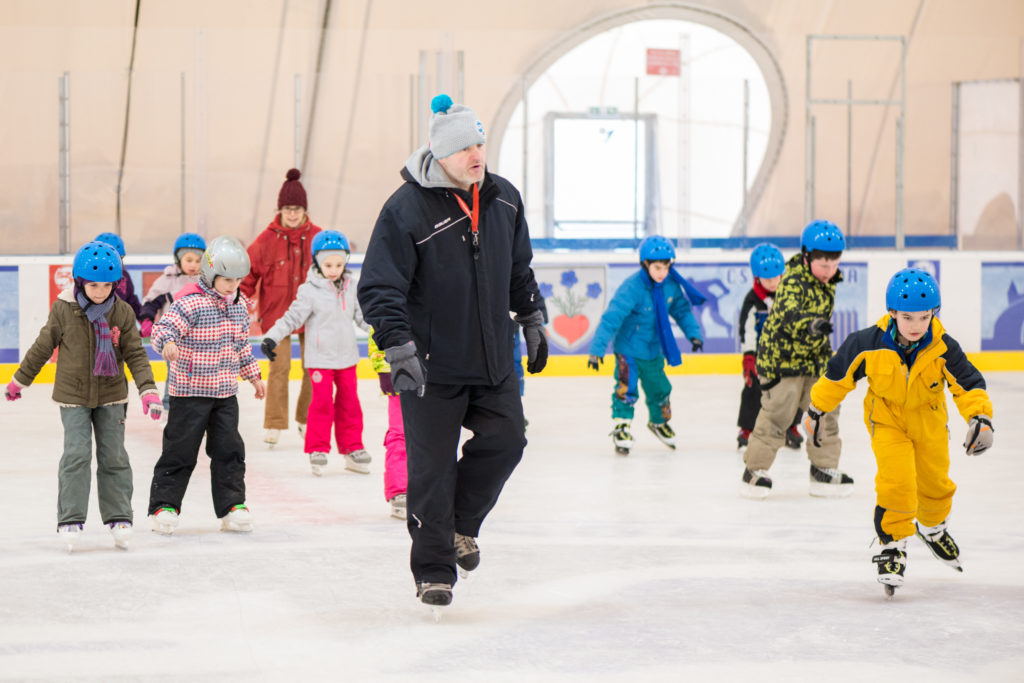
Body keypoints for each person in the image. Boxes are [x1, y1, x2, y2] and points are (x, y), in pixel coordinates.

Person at [357, 93, 548, 610]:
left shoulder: (504, 197)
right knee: (431, 471)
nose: (476, 154)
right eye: (465, 146)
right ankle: (434, 571)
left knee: (509, 440)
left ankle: (462, 525)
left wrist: (530, 316)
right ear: (440, 153)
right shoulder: (406, 209)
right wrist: (398, 346)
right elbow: (378, 287)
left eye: (480, 142)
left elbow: (518, 269)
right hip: (430, 369)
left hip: (492, 362)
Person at [805, 268, 993, 594]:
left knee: (935, 482)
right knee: (898, 481)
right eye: (908, 317)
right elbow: (838, 376)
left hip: (930, 422)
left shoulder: (943, 347)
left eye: (925, 317)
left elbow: (968, 384)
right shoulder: (867, 343)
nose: (917, 326)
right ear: (892, 313)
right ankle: (893, 544)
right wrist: (816, 409)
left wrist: (981, 418)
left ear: (934, 313)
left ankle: (933, 527)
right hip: (886, 420)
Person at [5, 241, 162, 551]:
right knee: (76, 455)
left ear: (116, 284)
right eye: (93, 285)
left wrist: (148, 390)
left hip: (112, 396)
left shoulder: (122, 310)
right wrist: (19, 381)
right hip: (73, 396)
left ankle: (119, 516)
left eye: (107, 285)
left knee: (114, 456)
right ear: (80, 281)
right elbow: (41, 347)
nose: (100, 291)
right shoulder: (64, 309)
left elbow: (135, 354)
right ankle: (71, 518)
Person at [148, 235, 266, 535]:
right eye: (226, 279)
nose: (232, 285)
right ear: (211, 273)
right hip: (189, 392)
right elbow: (163, 329)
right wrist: (168, 344)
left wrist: (253, 375)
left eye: (237, 280)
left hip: (225, 393)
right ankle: (165, 505)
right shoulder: (191, 302)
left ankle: (232, 506)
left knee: (229, 449)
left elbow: (241, 346)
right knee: (180, 450)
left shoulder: (239, 307)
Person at [740, 220, 851, 498]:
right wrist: (811, 324)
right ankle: (753, 471)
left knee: (823, 411)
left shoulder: (827, 281)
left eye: (833, 264)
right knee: (779, 413)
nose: (829, 271)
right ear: (806, 256)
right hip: (781, 360)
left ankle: (822, 470)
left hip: (813, 360)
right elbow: (788, 313)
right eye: (823, 265)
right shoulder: (791, 279)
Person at [260, 230, 371, 476]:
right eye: (328, 264)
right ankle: (318, 449)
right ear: (318, 262)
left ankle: (352, 448)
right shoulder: (309, 290)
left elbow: (363, 318)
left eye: (340, 264)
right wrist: (272, 337)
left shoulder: (352, 287)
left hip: (347, 359)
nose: (334, 269)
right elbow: (291, 318)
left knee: (350, 404)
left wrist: (383, 331)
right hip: (320, 360)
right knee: (321, 405)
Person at [586, 235, 705, 456]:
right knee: (626, 388)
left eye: (666, 267)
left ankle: (659, 422)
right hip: (628, 350)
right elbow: (611, 317)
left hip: (653, 350)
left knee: (660, 388)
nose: (662, 272)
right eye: (657, 267)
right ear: (645, 264)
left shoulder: (670, 286)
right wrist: (597, 349)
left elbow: (681, 311)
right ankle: (622, 426)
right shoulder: (632, 287)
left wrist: (694, 334)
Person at [241, 168, 321, 447]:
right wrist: (240, 299)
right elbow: (247, 273)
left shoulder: (318, 237)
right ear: (280, 209)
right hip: (277, 315)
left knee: (315, 367)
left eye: (297, 208)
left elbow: (334, 271)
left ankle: (306, 418)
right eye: (287, 208)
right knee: (279, 368)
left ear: (304, 209)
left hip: (313, 315)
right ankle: (274, 424)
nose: (292, 214)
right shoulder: (266, 240)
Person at [736, 243, 803, 450]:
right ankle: (747, 429)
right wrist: (749, 356)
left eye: (777, 278)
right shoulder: (753, 300)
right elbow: (747, 329)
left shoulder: (790, 294)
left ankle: (791, 426)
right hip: (761, 355)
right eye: (768, 280)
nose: (773, 283)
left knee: (793, 390)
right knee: (754, 390)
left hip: (787, 354)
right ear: (757, 278)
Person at [138, 232, 206, 409]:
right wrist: (147, 320)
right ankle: (169, 408)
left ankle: (199, 409)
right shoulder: (168, 280)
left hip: (201, 341)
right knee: (175, 375)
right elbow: (151, 302)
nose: (193, 265)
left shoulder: (206, 281)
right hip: (173, 340)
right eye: (189, 260)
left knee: (201, 377)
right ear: (178, 259)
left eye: (198, 261)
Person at [368, 329, 407, 519]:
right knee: (400, 433)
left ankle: (435, 488)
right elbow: (379, 331)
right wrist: (384, 369)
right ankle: (399, 490)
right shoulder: (390, 299)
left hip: (435, 372)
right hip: (398, 372)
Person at [94, 232, 142, 317]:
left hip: (120, 324)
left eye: (117, 259)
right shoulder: (91, 279)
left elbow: (131, 300)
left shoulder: (124, 276)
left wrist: (143, 317)